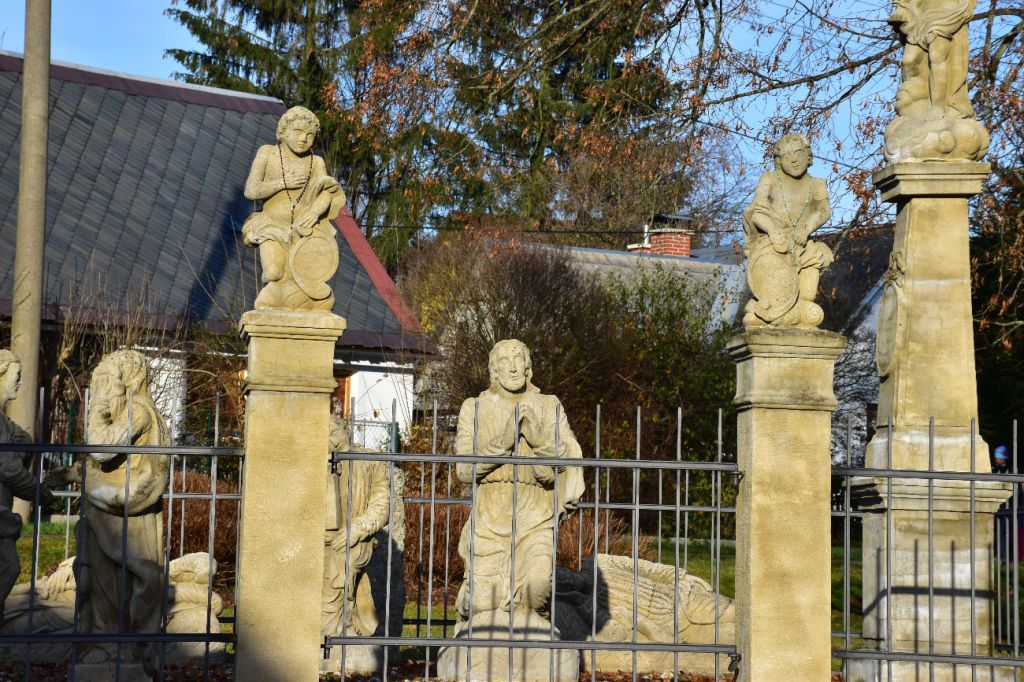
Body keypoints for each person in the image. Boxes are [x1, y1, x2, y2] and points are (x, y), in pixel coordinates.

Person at [451, 339, 585, 622]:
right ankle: (469, 607)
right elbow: (463, 470)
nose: (512, 367)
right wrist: (505, 441)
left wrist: (537, 441)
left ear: (528, 367)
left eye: (518, 359)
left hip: (535, 514)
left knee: (537, 590)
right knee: (483, 604)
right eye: (504, 360)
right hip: (490, 516)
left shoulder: (549, 405)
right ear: (494, 370)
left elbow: (569, 455)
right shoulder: (474, 407)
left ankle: (537, 632)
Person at [73, 350, 170, 678]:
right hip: (109, 511)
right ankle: (108, 643)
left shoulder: (139, 411)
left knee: (116, 582)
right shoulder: (134, 410)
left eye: (111, 377)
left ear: (131, 378)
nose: (105, 385)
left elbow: (101, 449)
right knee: (105, 581)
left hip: (123, 514)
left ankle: (115, 647)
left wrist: (99, 406)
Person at [243, 106, 346, 310]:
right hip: (271, 226)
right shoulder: (267, 153)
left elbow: (327, 191)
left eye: (310, 135)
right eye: (298, 132)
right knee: (273, 272)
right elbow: (251, 190)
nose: (303, 139)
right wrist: (282, 183)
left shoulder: (315, 162)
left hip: (304, 229)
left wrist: (315, 212)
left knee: (306, 276)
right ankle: (278, 296)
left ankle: (295, 300)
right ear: (283, 131)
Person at [321, 416, 391, 673]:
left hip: (353, 539)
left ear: (345, 429)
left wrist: (358, 529)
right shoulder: (309, 457)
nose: (329, 437)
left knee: (342, 566)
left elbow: (382, 505)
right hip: (313, 541)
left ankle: (336, 633)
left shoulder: (370, 460)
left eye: (333, 430)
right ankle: (324, 635)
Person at [742, 134, 833, 327]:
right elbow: (756, 211)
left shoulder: (817, 184)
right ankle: (768, 312)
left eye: (798, 153)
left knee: (807, 299)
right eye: (787, 155)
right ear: (778, 160)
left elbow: (823, 211)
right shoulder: (769, 179)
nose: (793, 159)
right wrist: (772, 230)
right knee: (775, 294)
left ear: (808, 155)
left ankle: (786, 315)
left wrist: (806, 229)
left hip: (803, 248)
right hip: (776, 247)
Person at [0, 350, 53, 623]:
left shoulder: (6, 424)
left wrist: (24, 442)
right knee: (9, 567)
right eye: (16, 376)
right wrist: (40, 493)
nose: (20, 383)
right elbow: (8, 468)